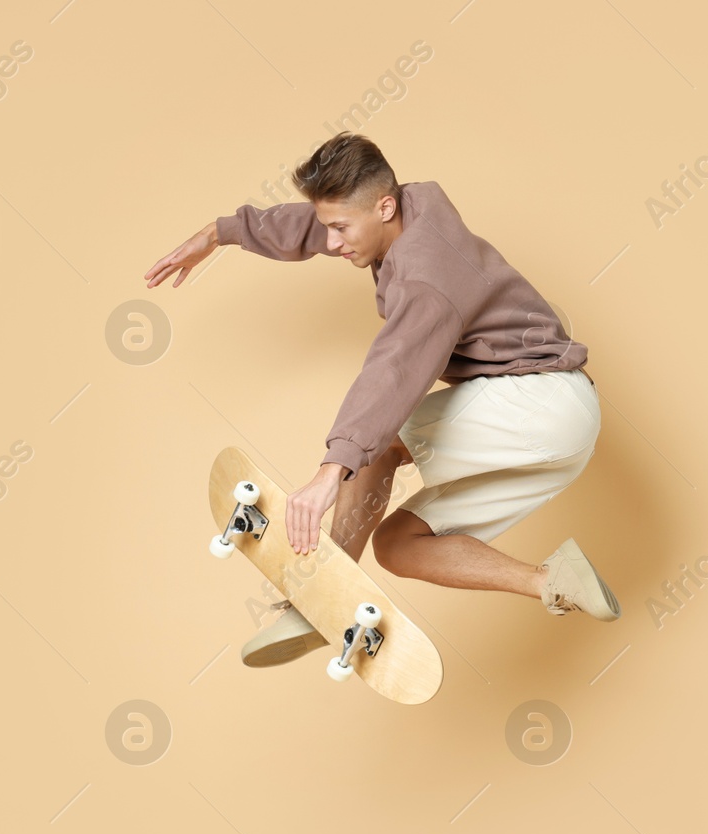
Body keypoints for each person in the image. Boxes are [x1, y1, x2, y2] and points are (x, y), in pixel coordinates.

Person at [145, 132, 620, 667]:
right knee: (399, 545)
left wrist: (332, 470)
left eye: (341, 231)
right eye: (330, 227)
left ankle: (320, 587)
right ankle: (553, 581)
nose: (331, 243)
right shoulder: (406, 207)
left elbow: (392, 371)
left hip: (543, 402)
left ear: (385, 207)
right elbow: (317, 221)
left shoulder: (426, 277)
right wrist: (222, 233)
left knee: (383, 441)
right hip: (561, 438)